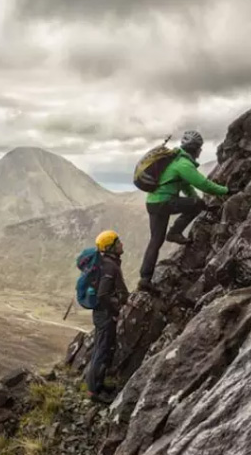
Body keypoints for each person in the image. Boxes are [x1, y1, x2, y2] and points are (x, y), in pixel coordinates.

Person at [137, 130, 229, 291]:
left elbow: (186, 186)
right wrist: (226, 191)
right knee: (196, 205)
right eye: (200, 148)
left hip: (153, 203)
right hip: (163, 203)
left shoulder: (175, 162)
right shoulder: (183, 164)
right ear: (195, 148)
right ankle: (174, 232)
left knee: (155, 241)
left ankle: (145, 279)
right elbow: (204, 184)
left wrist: (196, 201)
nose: (201, 151)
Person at [86, 229, 129, 402]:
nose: (121, 244)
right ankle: (94, 391)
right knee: (101, 350)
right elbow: (103, 295)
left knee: (100, 348)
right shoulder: (110, 266)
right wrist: (114, 311)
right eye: (118, 242)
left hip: (101, 313)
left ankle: (98, 385)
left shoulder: (107, 263)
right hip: (104, 315)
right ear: (110, 247)